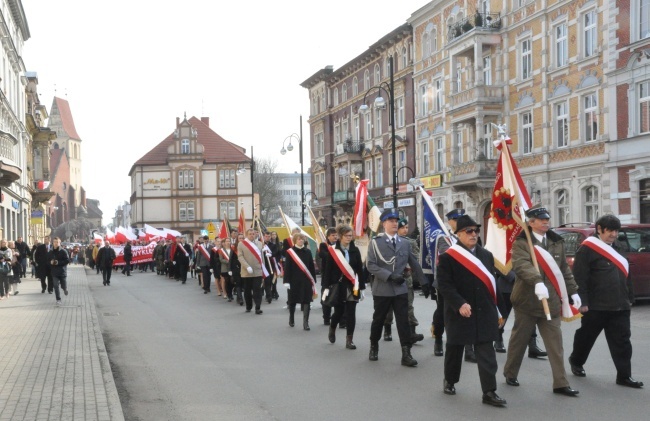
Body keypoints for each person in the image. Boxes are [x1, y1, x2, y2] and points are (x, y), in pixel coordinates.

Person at [503, 205, 580, 396]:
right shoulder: (522, 242)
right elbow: (521, 265)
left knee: (555, 344)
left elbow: (563, 270)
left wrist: (573, 291)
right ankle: (510, 373)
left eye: (547, 219)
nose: (546, 222)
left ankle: (560, 383)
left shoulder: (556, 242)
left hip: (551, 301)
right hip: (527, 301)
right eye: (541, 220)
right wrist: (537, 282)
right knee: (519, 341)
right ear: (531, 222)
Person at [437, 215, 506, 406]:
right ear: (458, 234)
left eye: (476, 230)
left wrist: (501, 311)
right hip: (460, 311)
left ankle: (489, 392)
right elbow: (444, 285)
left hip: (484, 311)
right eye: (469, 231)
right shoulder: (448, 257)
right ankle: (450, 380)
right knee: (455, 349)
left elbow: (493, 284)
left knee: (486, 352)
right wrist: (459, 303)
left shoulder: (486, 255)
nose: (474, 234)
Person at [568, 215, 643, 388]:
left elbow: (627, 275)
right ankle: (576, 361)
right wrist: (583, 302)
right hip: (596, 305)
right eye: (610, 230)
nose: (614, 234)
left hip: (620, 304)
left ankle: (624, 376)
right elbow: (580, 277)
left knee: (623, 341)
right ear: (600, 229)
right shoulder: (586, 249)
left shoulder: (620, 247)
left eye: (616, 231)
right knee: (586, 337)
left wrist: (630, 297)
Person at [367, 208, 425, 367]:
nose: (395, 223)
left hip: (400, 289)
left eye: (396, 221)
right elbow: (371, 265)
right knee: (379, 320)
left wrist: (424, 282)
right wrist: (389, 275)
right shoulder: (375, 243)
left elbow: (413, 262)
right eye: (391, 221)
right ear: (384, 223)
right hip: (383, 289)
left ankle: (406, 353)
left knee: (403, 322)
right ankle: (374, 346)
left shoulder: (405, 243)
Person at [324, 224, 364, 349]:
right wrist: (326, 287)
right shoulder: (333, 251)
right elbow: (328, 270)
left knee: (351, 313)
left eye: (351, 236)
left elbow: (359, 269)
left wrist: (361, 286)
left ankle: (349, 340)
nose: (349, 238)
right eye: (347, 236)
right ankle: (332, 327)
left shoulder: (355, 250)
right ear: (340, 236)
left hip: (353, 285)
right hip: (339, 285)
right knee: (339, 312)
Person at [396, 218, 425, 343]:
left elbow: (417, 260)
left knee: (409, 305)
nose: (405, 230)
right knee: (389, 308)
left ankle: (412, 332)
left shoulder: (411, 242)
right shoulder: (390, 242)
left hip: (406, 279)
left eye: (406, 227)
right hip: (392, 279)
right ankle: (386, 328)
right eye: (402, 228)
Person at [284, 232, 317, 330]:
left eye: (302, 239)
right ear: (295, 240)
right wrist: (286, 281)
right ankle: (291, 318)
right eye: (299, 239)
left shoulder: (308, 252)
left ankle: (306, 323)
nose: (301, 240)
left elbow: (311, 267)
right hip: (294, 280)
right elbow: (287, 267)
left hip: (306, 280)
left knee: (307, 300)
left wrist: (313, 280)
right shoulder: (290, 252)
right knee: (292, 300)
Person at [238, 228, 265, 314]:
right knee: (247, 290)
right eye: (250, 234)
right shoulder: (241, 244)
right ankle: (249, 306)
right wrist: (247, 266)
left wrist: (263, 268)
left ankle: (258, 307)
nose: (252, 235)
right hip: (247, 272)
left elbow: (262, 258)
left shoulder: (260, 244)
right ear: (247, 235)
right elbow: (240, 257)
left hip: (257, 271)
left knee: (257, 290)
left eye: (253, 234)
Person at [319, 228, 338, 325]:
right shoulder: (323, 245)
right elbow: (323, 255)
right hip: (327, 275)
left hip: (338, 275)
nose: (335, 237)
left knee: (338, 296)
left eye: (336, 235)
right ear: (328, 236)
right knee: (326, 295)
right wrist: (335, 254)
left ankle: (341, 319)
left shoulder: (340, 245)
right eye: (333, 235)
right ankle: (326, 317)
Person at [47, 237, 70, 306]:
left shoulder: (63, 251)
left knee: (63, 285)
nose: (56, 243)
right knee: (55, 285)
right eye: (54, 242)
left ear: (60, 243)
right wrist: (50, 262)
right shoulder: (50, 252)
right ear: (52, 243)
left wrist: (58, 262)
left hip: (62, 271)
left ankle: (65, 289)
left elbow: (67, 260)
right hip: (54, 272)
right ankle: (58, 299)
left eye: (57, 242)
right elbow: (47, 261)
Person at [262, 231, 278, 304]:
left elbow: (275, 253)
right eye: (266, 236)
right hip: (264, 265)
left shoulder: (273, 245)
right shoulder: (261, 244)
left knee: (271, 280)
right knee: (266, 281)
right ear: (264, 236)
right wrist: (263, 251)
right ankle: (269, 296)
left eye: (269, 236)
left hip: (271, 265)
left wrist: (270, 254)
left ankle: (270, 292)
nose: (267, 237)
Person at [230, 234, 245, 305]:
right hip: (236, 268)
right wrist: (230, 269)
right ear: (237, 239)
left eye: (242, 238)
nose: (241, 239)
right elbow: (231, 259)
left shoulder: (246, 247)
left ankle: (239, 297)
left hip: (244, 268)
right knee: (238, 283)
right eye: (240, 238)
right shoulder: (233, 248)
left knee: (244, 283)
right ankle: (240, 298)